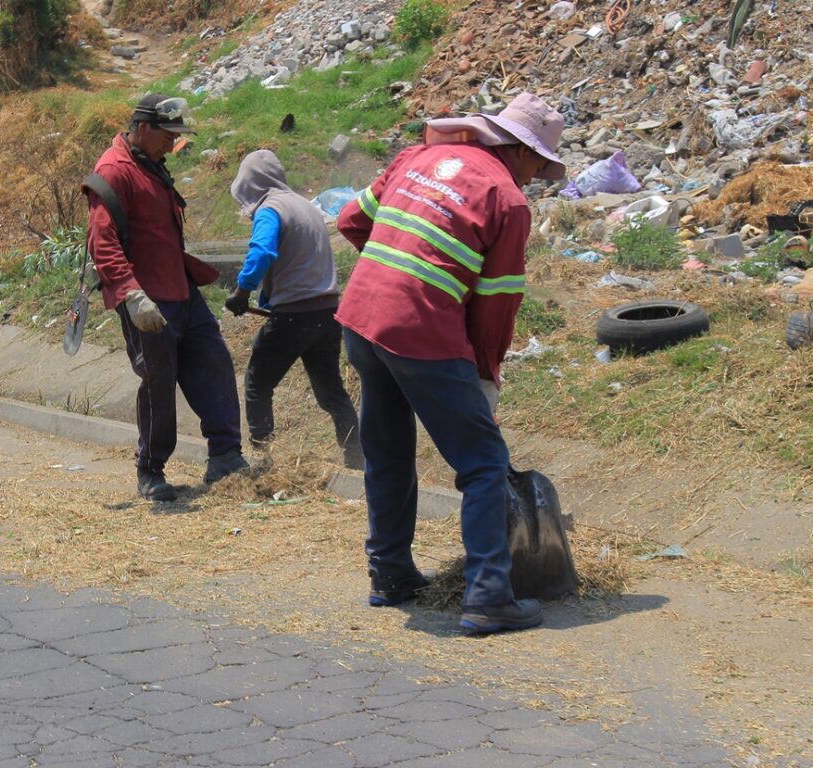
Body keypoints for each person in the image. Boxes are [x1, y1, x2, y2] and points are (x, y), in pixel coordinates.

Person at [334, 92, 566, 634]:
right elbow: (496, 304)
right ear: (517, 150)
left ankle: (390, 575)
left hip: (361, 320)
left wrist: (394, 264)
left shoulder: (416, 157)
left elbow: (351, 221)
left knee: (388, 452)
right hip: (418, 331)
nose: (535, 176)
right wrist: (487, 375)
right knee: (483, 463)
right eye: (537, 162)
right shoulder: (506, 199)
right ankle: (489, 596)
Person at [86, 93, 249, 502]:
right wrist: (131, 295)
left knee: (213, 364)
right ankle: (151, 469)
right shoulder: (114, 170)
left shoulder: (151, 164)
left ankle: (226, 456)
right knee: (159, 383)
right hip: (148, 298)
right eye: (168, 135)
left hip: (181, 290)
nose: (173, 144)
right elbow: (101, 242)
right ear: (143, 127)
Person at [224, 150, 363, 469]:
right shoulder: (306, 207)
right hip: (328, 313)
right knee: (331, 392)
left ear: (251, 184)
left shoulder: (270, 209)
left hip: (293, 315)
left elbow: (262, 252)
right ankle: (357, 456)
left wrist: (243, 291)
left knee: (258, 381)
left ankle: (263, 456)